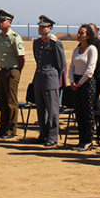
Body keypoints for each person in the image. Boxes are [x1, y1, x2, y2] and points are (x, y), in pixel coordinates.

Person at [32, 15, 66, 147]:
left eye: (43, 26)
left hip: (50, 78)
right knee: (41, 109)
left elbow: (60, 64)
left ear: (50, 28)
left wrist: (54, 77)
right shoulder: (36, 43)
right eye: (40, 26)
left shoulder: (54, 43)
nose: (40, 28)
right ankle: (43, 134)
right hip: (40, 78)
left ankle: (52, 137)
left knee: (52, 110)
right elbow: (37, 60)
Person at [0, 10, 25, 139]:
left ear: (10, 23)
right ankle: (3, 127)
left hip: (11, 71)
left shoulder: (14, 37)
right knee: (2, 101)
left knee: (11, 102)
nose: (0, 23)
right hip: (0, 72)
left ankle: (11, 130)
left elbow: (21, 57)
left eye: (3, 21)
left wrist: (17, 71)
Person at [69, 24, 98, 151]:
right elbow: (71, 67)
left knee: (87, 113)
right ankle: (81, 140)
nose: (79, 35)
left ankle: (88, 140)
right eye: (78, 32)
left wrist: (79, 83)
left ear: (88, 36)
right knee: (79, 113)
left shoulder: (92, 49)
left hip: (86, 83)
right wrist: (72, 81)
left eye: (82, 33)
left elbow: (90, 69)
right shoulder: (76, 50)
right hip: (76, 83)